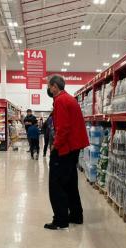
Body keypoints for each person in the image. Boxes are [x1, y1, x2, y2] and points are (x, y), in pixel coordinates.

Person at [45, 75, 90, 230]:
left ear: (54, 87)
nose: (48, 89)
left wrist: (55, 146)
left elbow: (63, 128)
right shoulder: (70, 99)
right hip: (74, 148)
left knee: (56, 185)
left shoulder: (60, 101)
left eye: (49, 86)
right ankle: (76, 215)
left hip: (65, 148)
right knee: (70, 183)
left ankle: (60, 219)